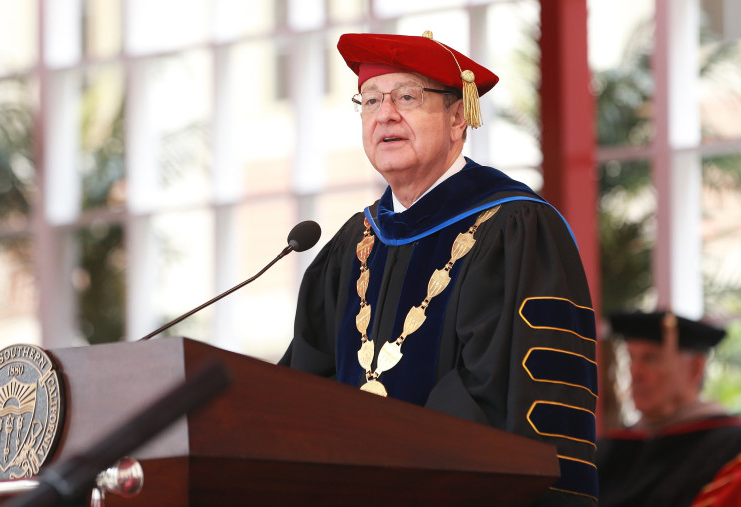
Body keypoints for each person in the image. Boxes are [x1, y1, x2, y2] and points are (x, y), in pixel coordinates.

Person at [279, 31, 598, 505]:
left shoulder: (514, 228)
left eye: (407, 96)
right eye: (370, 100)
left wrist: (387, 467)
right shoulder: (352, 245)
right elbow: (302, 385)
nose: (385, 113)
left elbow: (501, 391)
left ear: (456, 118)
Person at [597, 310, 741, 507]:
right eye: (631, 358)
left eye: (651, 359)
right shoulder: (610, 448)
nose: (635, 372)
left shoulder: (732, 449)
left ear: (695, 368)